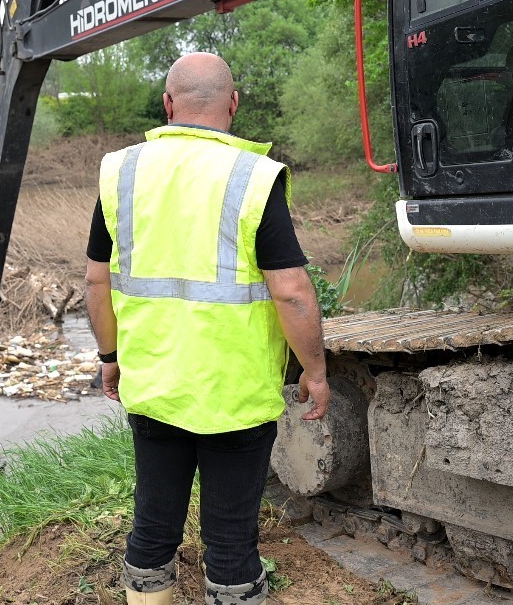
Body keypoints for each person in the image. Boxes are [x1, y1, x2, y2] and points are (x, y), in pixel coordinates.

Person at [84, 52, 330, 605]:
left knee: (153, 525)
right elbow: (291, 290)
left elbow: (97, 281)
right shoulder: (253, 177)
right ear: (233, 103)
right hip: (235, 394)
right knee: (231, 538)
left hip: (154, 386)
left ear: (167, 104)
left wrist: (109, 357)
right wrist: (314, 370)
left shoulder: (122, 172)